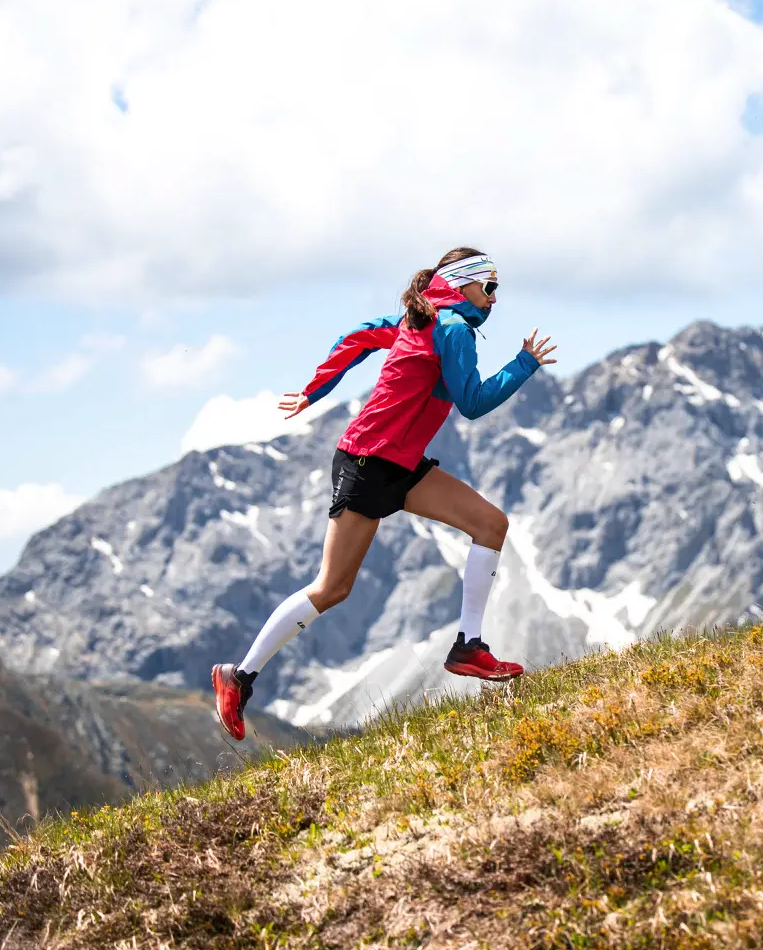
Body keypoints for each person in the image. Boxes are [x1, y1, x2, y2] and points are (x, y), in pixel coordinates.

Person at [211, 247, 558, 740]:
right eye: (491, 287)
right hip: (367, 464)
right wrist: (524, 364)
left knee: (491, 525)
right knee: (332, 588)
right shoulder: (453, 329)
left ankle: (468, 648)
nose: (496, 299)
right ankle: (238, 678)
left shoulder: (416, 318)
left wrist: (315, 390)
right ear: (464, 284)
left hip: (400, 464)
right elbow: (474, 402)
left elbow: (354, 338)